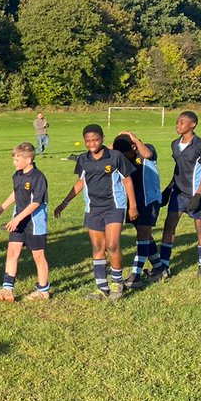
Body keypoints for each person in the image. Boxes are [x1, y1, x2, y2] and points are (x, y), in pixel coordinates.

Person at [55, 124, 137, 299]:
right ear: (84, 141)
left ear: (103, 138)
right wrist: (65, 202)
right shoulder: (83, 160)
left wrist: (133, 206)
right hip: (93, 208)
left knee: (112, 245)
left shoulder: (115, 157)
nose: (92, 143)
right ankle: (102, 287)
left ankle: (117, 284)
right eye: (88, 140)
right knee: (98, 247)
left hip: (114, 206)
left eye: (96, 139)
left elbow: (127, 181)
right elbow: (80, 182)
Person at [150, 111, 201, 279]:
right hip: (178, 193)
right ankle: (165, 265)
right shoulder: (174, 144)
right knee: (169, 225)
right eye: (177, 122)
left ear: (192, 124)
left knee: (200, 227)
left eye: (182, 122)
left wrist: (198, 195)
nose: (178, 125)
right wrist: (168, 189)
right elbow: (178, 169)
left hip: (196, 193)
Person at [0, 142, 49, 301]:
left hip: (34, 223)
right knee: (12, 252)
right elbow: (16, 193)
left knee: (38, 256)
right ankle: (8, 289)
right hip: (18, 221)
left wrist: (17, 219)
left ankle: (43, 291)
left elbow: (36, 203)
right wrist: (2, 208)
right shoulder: (18, 175)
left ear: (28, 160)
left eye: (17, 159)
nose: (14, 162)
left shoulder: (38, 177)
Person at [112, 131, 163, 288]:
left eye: (125, 153)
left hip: (150, 200)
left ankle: (136, 275)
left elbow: (147, 154)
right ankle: (160, 269)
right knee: (146, 235)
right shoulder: (123, 157)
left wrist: (133, 137)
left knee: (142, 235)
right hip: (134, 201)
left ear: (134, 147)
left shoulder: (145, 150)